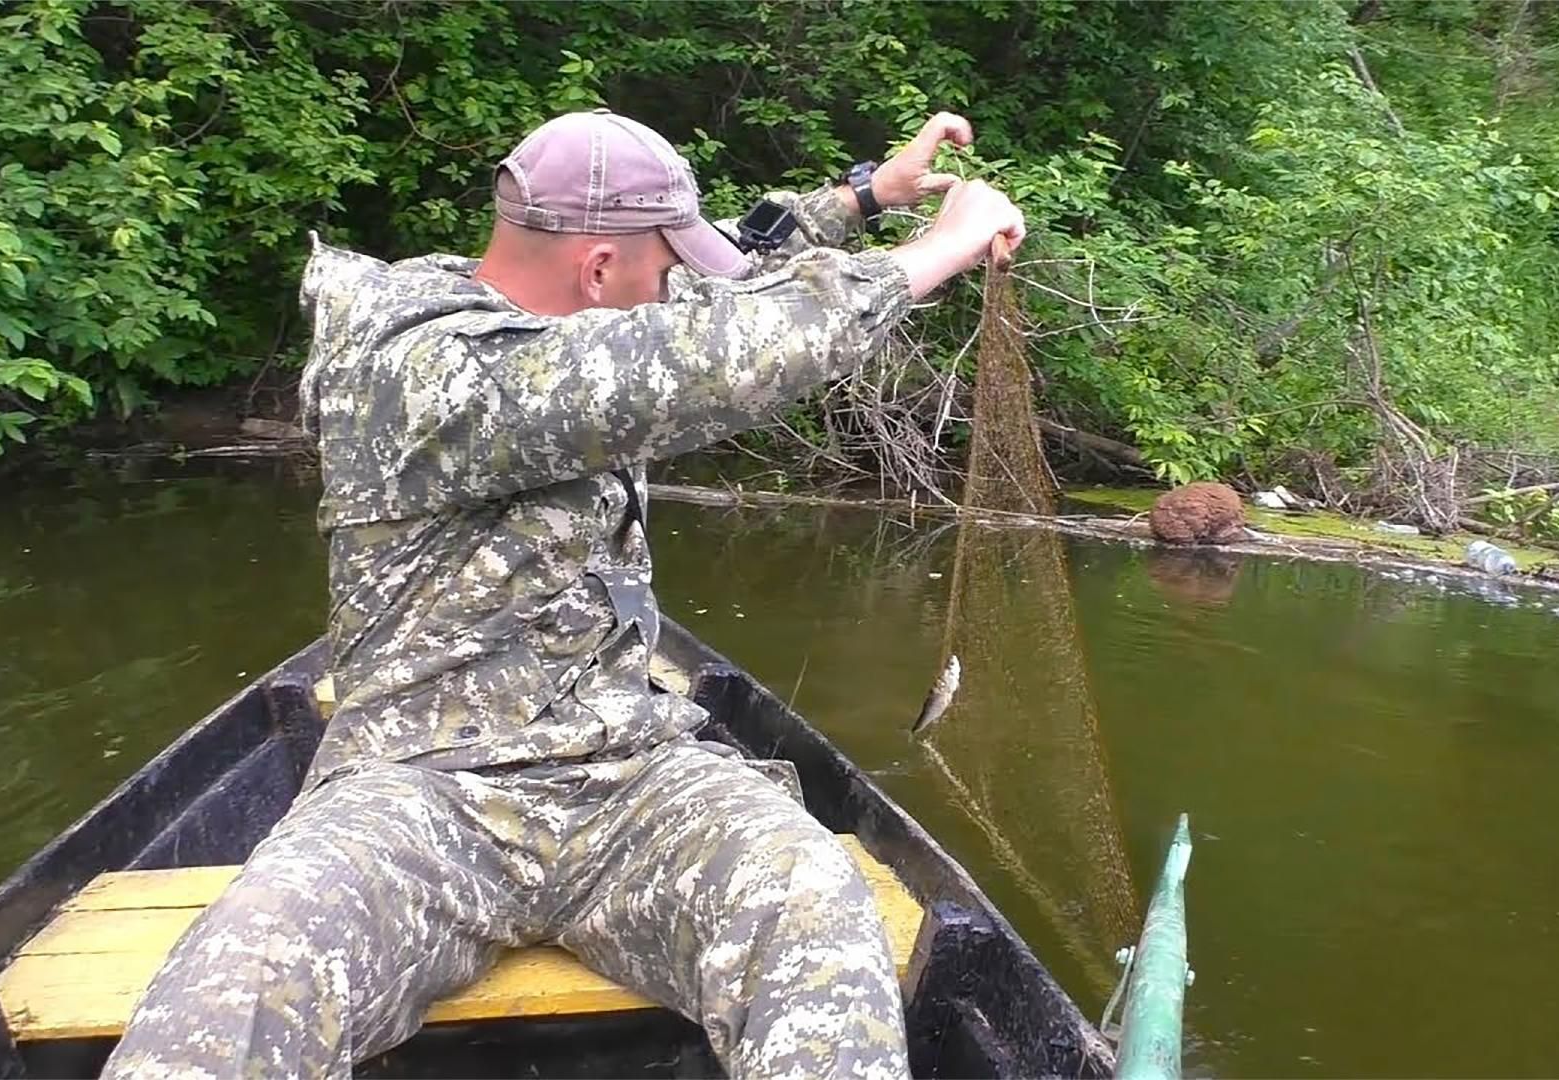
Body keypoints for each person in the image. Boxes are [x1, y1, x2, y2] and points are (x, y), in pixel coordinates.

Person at [101, 108, 1025, 1080]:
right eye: (662, 275)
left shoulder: (559, 314)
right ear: (595, 272)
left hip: (626, 775)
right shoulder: (421, 367)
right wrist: (938, 249)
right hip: (421, 792)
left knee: (812, 898)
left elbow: (734, 278)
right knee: (242, 979)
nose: (675, 294)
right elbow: (707, 354)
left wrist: (865, 197)